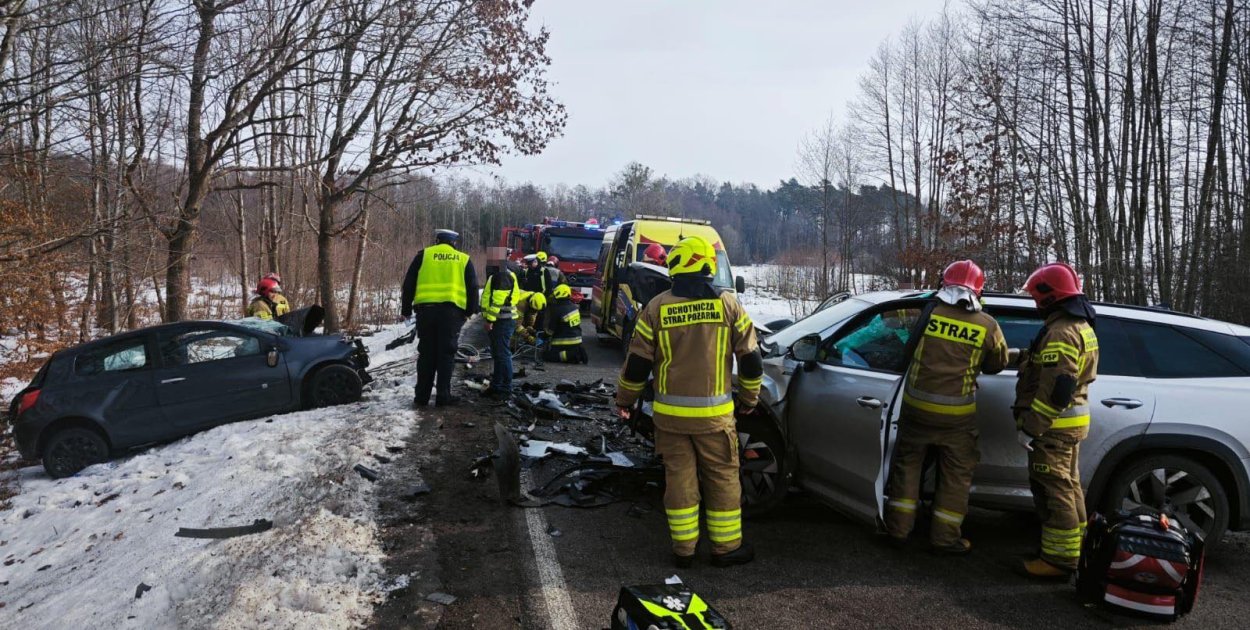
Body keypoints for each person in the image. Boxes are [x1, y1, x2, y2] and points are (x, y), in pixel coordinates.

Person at [614, 236, 765, 569]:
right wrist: (750, 399)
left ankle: (684, 550)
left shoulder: (656, 307)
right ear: (707, 265)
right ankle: (725, 549)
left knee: (679, 480)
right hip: (715, 420)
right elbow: (751, 359)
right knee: (722, 478)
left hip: (669, 421)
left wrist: (624, 401)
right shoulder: (728, 305)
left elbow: (637, 364)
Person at [883, 260, 1009, 555]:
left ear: (944, 283)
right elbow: (997, 364)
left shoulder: (925, 314)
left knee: (908, 467)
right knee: (955, 477)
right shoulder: (987, 325)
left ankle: (898, 531)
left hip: (916, 410)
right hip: (957, 419)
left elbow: (889, 320)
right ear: (978, 290)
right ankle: (944, 538)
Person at [1014, 262, 1099, 578]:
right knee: (1070, 487)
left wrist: (1031, 429)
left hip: (1052, 428)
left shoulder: (1061, 331)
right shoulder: (1078, 326)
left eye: (1037, 297)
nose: (1035, 303)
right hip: (1069, 425)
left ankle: (1059, 562)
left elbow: (1057, 389)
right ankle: (1076, 550)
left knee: (1054, 491)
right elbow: (1050, 369)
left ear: (1050, 296)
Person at [401, 229, 478, 408]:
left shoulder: (424, 255)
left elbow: (409, 283)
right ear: (454, 243)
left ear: (437, 240)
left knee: (426, 354)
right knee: (446, 355)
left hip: (425, 312)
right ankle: (443, 396)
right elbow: (473, 287)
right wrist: (469, 312)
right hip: (451, 315)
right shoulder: (463, 259)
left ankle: (421, 397)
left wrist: (405, 309)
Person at [481, 261, 522, 399]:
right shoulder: (501, 274)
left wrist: (490, 320)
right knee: (499, 354)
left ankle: (505, 388)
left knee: (502, 354)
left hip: (502, 320)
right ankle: (497, 386)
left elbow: (498, 300)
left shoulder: (502, 275)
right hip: (502, 320)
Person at [542, 284, 588, 363]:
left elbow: (551, 330)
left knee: (548, 356)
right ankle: (577, 352)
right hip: (577, 340)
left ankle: (575, 355)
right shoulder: (574, 307)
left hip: (563, 342)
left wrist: (543, 336)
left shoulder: (557, 309)